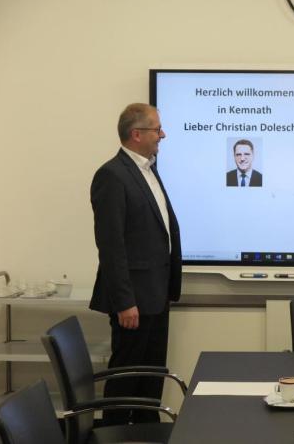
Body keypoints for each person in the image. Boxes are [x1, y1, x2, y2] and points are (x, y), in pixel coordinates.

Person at [89, 103, 182, 425]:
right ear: (136, 134)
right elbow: (111, 246)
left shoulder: (148, 169)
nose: (163, 134)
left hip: (156, 295)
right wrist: (124, 301)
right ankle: (112, 434)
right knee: (126, 379)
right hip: (134, 302)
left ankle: (146, 432)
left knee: (151, 378)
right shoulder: (112, 175)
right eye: (157, 129)